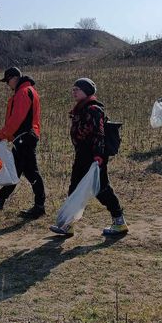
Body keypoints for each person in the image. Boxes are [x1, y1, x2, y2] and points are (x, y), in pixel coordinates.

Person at [50, 78, 127, 237]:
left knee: (101, 188)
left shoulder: (93, 109)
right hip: (83, 155)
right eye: (73, 89)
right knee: (75, 187)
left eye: (77, 89)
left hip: (94, 156)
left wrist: (98, 156)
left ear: (86, 91)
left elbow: (99, 133)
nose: (74, 91)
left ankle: (119, 222)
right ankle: (67, 224)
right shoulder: (81, 108)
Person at [0, 67, 46, 219]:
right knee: (15, 169)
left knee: (31, 172)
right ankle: (1, 199)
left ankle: (40, 206)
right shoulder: (29, 90)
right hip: (25, 136)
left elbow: (16, 118)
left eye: (8, 81)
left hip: (24, 137)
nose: (8, 84)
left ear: (14, 78)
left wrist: (1, 135)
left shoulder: (22, 92)